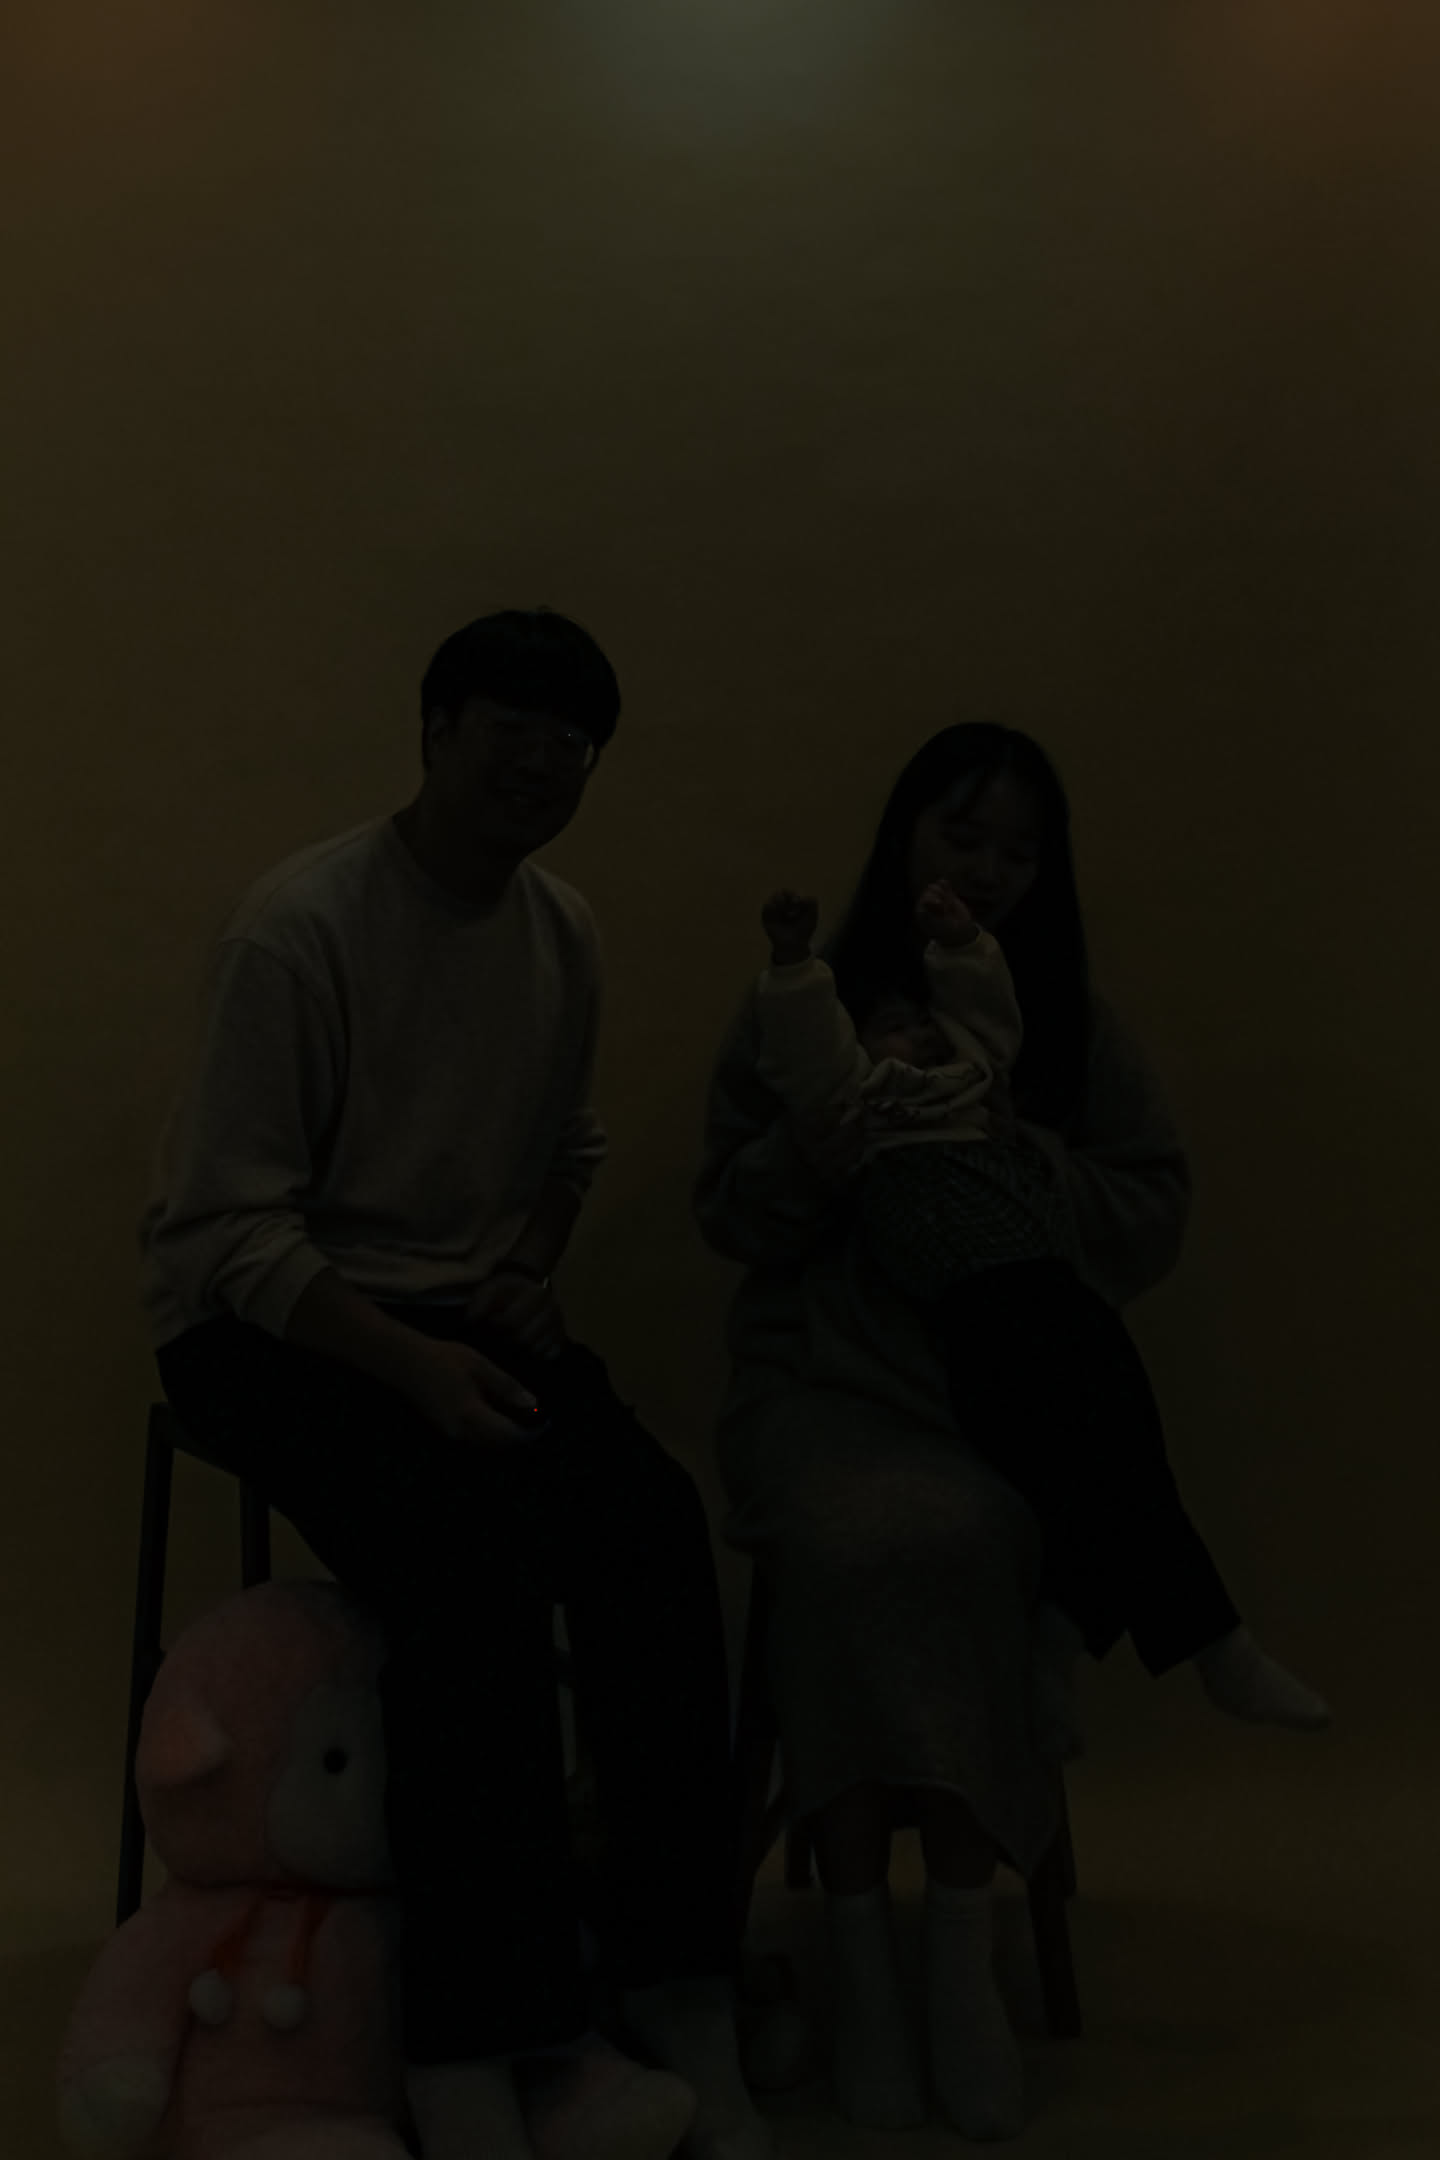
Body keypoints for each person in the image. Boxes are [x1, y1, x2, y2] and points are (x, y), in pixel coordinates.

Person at [139, 609, 775, 2160]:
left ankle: (675, 1978)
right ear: (435, 731)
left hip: (453, 1312)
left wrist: (527, 1270)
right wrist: (414, 1365)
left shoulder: (561, 932)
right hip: (266, 1321)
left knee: (650, 1527)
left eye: (575, 742)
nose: (546, 762)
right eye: (515, 728)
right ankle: (478, 2045)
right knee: (464, 1557)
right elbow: (228, 1229)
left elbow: (568, 1145)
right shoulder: (302, 928)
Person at [691, 722, 1328, 2144]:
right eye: (961, 834)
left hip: (997, 1398)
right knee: (850, 1547)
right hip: (822, 1385)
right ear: (904, 835)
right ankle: (861, 1952)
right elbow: (726, 1208)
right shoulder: (808, 1000)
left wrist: (1009, 1164)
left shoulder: (1058, 1020)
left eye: (1019, 850)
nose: (988, 868)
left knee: (981, 1528)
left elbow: (1150, 1197)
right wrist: (833, 1144)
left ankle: (957, 1958)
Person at [750, 871, 1330, 1761]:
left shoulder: (978, 1087)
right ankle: (1203, 1642)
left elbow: (987, 1017)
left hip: (1052, 1286)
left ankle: (1072, 1632)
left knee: (1115, 1449)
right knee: (1085, 1451)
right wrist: (793, 962)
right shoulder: (860, 1105)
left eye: (923, 1021)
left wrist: (959, 944)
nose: (917, 1034)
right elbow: (805, 1049)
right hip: (971, 1301)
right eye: (890, 1025)